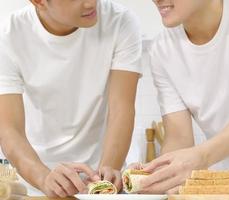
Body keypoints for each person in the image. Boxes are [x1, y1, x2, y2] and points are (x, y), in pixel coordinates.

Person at [0, 0, 142, 197]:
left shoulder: (120, 21)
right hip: (38, 178)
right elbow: (9, 129)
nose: (91, 3)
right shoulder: (9, 34)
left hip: (104, 174)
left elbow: (122, 108)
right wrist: (43, 178)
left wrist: (104, 176)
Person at [130, 0, 229, 194]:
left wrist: (202, 156)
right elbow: (179, 138)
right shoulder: (162, 49)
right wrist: (159, 173)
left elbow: (199, 156)